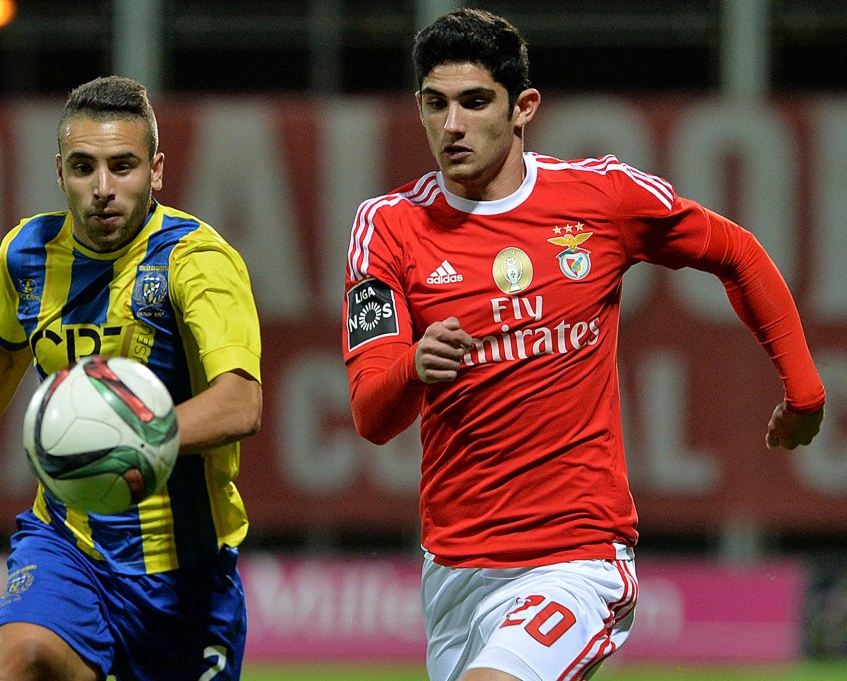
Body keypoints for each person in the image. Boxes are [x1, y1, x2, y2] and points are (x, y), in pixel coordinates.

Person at [341, 9, 824, 681]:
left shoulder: (600, 196)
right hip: (454, 570)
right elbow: (371, 414)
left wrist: (805, 390)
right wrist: (413, 366)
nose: (451, 125)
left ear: (523, 107)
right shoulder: (388, 227)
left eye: (475, 101)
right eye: (435, 103)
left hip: (576, 559)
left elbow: (735, 251)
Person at [0, 75, 263, 681]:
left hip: (185, 573)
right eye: (83, 167)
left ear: (157, 171)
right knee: (26, 654)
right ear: (59, 172)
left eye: (122, 167)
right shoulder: (26, 253)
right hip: (68, 542)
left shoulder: (197, 261)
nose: (102, 189)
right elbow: (3, 350)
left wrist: (128, 432)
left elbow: (240, 404)